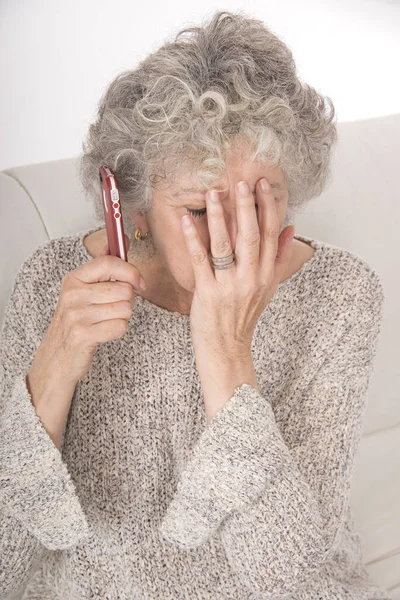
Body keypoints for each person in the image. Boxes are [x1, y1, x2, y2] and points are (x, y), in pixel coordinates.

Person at [0, 10, 390, 600]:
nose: (232, 237)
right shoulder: (52, 282)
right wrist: (53, 364)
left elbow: (294, 579)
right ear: (135, 210)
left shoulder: (342, 295)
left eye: (263, 201)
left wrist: (226, 352)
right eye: (199, 211)